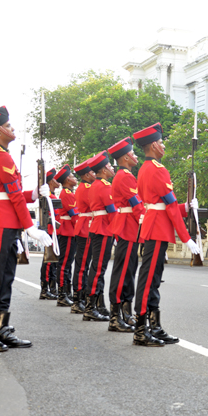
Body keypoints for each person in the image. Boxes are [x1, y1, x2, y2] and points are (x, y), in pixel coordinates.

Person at [0, 106, 52, 351]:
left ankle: (1, 327)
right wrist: (30, 227)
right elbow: (13, 197)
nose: (12, 129)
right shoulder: (0, 156)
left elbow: (15, 193)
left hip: (6, 223)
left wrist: (35, 192)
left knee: (6, 276)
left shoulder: (0, 155)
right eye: (9, 126)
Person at [132, 122, 200, 347]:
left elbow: (163, 205)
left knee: (153, 280)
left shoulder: (144, 169)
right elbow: (168, 208)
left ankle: (154, 326)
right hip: (157, 229)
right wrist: (187, 237)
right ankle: (141, 330)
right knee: (148, 280)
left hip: (154, 225)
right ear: (153, 145)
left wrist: (187, 206)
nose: (163, 146)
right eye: (161, 143)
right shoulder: (158, 170)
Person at [108, 137, 145, 330]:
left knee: (129, 271)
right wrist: (148, 221)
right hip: (127, 227)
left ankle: (125, 313)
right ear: (124, 158)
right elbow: (136, 204)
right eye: (132, 153)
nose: (135, 156)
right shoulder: (125, 176)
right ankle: (115, 317)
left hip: (129, 227)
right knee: (123, 273)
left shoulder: (125, 175)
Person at [82, 151, 117, 322]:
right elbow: (111, 211)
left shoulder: (96, 184)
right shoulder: (104, 186)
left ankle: (98, 305)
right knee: (98, 269)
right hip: (103, 228)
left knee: (97, 268)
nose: (112, 168)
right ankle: (91, 307)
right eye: (109, 166)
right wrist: (118, 231)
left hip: (98, 226)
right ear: (103, 170)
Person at [71, 160, 95, 314]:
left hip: (85, 224)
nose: (95, 174)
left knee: (83, 264)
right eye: (92, 172)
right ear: (86, 175)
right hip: (86, 227)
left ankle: (80, 297)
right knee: (82, 265)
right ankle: (78, 299)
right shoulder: (86, 188)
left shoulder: (84, 187)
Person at [54, 165, 78, 307]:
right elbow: (74, 215)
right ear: (68, 179)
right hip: (68, 230)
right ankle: (62, 294)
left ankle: (65, 292)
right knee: (64, 264)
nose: (75, 179)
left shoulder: (68, 192)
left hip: (69, 230)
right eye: (73, 176)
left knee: (67, 263)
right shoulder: (67, 194)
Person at [39, 168, 60, 301]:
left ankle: (52, 288)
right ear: (51, 181)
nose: (58, 182)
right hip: (50, 231)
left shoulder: (52, 196)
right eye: (56, 179)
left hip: (54, 232)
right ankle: (45, 290)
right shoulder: (49, 197)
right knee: (48, 262)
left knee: (53, 263)